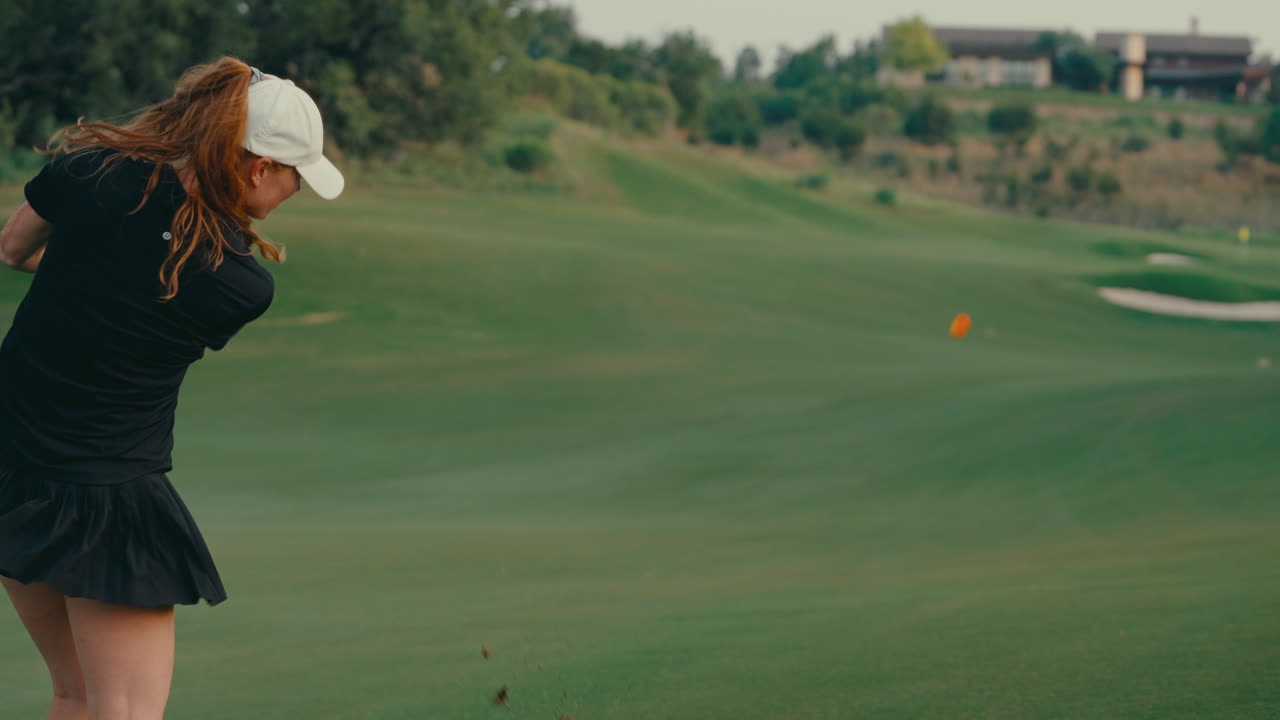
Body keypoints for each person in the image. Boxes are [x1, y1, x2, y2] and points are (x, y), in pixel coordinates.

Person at [0, 57, 343, 720]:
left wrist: (84, 260)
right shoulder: (238, 285)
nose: (292, 194)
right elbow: (151, 282)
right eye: (295, 179)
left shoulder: (89, 171)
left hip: (11, 469)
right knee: (124, 711)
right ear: (258, 170)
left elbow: (13, 249)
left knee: (75, 695)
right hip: (104, 501)